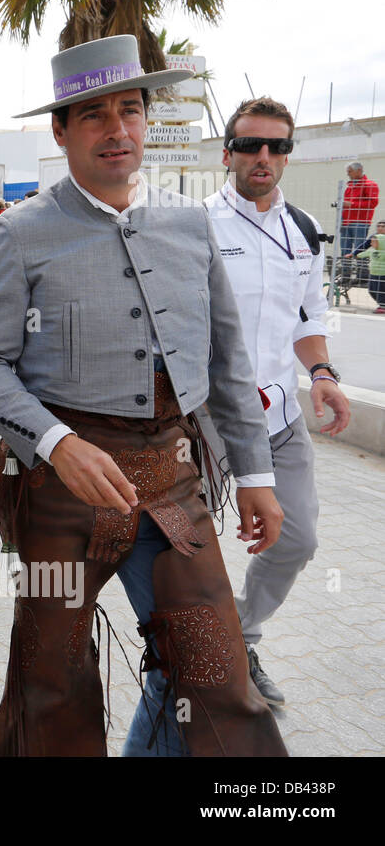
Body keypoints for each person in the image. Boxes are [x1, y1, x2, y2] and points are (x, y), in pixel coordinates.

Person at [0, 35, 287, 757]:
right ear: (61, 130)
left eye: (130, 110)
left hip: (173, 481)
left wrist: (257, 477)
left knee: (218, 676)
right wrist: (55, 443)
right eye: (95, 115)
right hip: (61, 490)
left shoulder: (188, 222)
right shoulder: (19, 235)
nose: (118, 129)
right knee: (53, 683)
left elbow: (229, 362)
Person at [203, 96, 352, 708]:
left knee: (297, 539)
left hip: (282, 420)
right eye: (251, 145)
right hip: (207, 423)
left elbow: (306, 317)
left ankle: (239, 638)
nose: (264, 157)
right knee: (190, 550)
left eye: (278, 146)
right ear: (228, 154)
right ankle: (191, 665)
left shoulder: (304, 229)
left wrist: (320, 371)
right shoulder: (196, 225)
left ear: (288, 155)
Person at [340, 161, 378, 251]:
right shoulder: (349, 187)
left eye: (350, 171)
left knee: (359, 249)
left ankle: (361, 265)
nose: (348, 174)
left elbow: (373, 203)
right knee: (345, 249)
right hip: (346, 222)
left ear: (359, 170)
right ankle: (346, 265)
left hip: (360, 222)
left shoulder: (369, 185)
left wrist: (352, 204)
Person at [358, 235, 385, 311]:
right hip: (373, 274)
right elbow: (363, 254)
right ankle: (382, 304)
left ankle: (383, 306)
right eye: (371, 242)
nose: (371, 244)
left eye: (373, 242)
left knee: (381, 291)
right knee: (372, 290)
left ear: (381, 242)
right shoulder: (371, 250)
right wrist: (355, 255)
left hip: (382, 275)